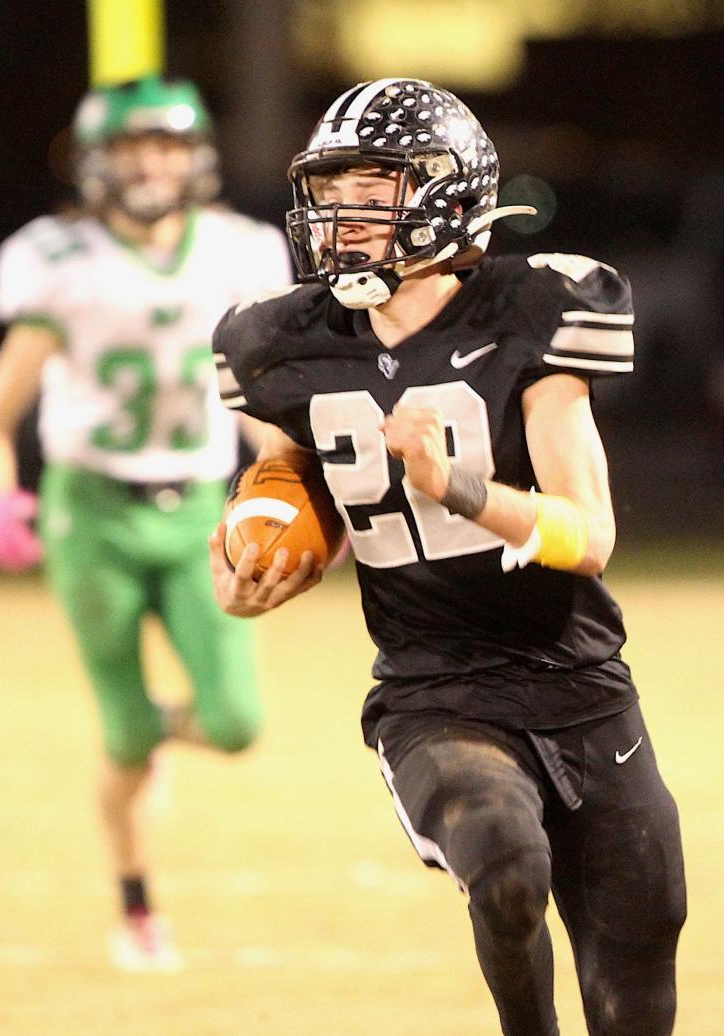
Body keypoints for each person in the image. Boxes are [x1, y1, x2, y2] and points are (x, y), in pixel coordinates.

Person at [209, 78, 686, 1034]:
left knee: (638, 963)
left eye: (372, 189)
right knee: (506, 866)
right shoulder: (284, 345)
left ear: (445, 191)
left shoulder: (533, 312)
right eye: (331, 191)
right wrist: (251, 560)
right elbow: (286, 477)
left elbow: (588, 536)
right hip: (435, 694)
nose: (342, 216)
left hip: (583, 685)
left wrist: (460, 487)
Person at [0, 75, 293, 971]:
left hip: (196, 510)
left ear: (197, 156)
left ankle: (150, 731)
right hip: (92, 514)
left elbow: (261, 404)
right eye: (135, 146)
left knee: (232, 722)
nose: (152, 162)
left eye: (168, 144)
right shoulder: (60, 257)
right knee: (126, 740)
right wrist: (0, 498)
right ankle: (137, 905)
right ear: (98, 162)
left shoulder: (241, 251)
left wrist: (291, 481)